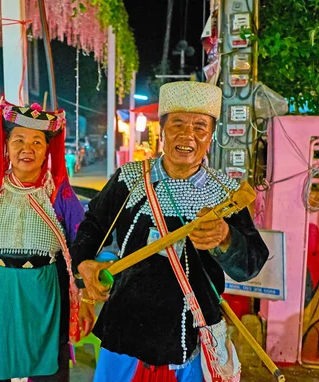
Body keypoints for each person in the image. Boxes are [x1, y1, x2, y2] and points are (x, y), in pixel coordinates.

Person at [70, 81, 269, 381]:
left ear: (211, 136)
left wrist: (226, 238)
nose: (188, 135)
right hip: (125, 332)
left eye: (200, 126)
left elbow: (251, 262)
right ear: (161, 130)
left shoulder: (226, 195)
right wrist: (82, 263)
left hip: (191, 340)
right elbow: (92, 225)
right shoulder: (130, 179)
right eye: (177, 123)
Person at [0, 99, 92, 382]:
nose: (27, 149)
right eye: (19, 140)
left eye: (37, 143)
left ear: (46, 151)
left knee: (46, 365)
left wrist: (86, 296)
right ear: (6, 147)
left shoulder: (59, 194)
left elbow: (82, 247)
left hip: (43, 291)